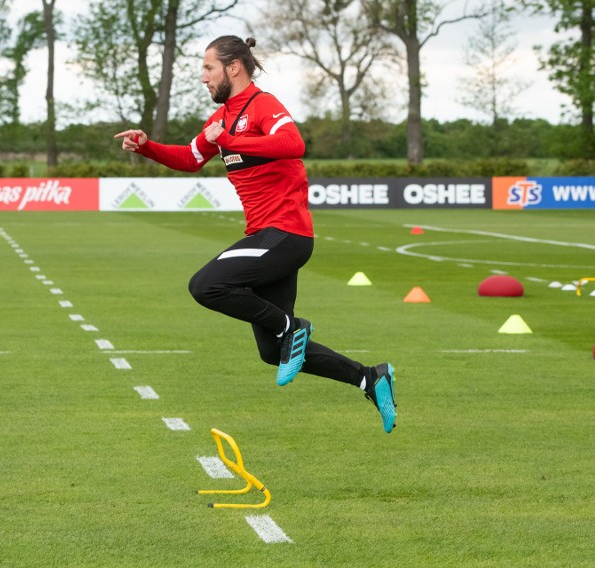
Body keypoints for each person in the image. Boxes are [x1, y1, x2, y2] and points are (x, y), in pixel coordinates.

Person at [113, 35, 397, 433]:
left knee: (205, 285)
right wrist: (147, 147)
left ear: (233, 67)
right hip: (268, 237)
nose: (203, 78)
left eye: (208, 68)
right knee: (272, 353)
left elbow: (293, 143)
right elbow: (191, 158)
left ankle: (291, 326)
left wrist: (229, 140)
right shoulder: (221, 117)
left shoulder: (262, 105)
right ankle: (370, 377)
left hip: (285, 233)